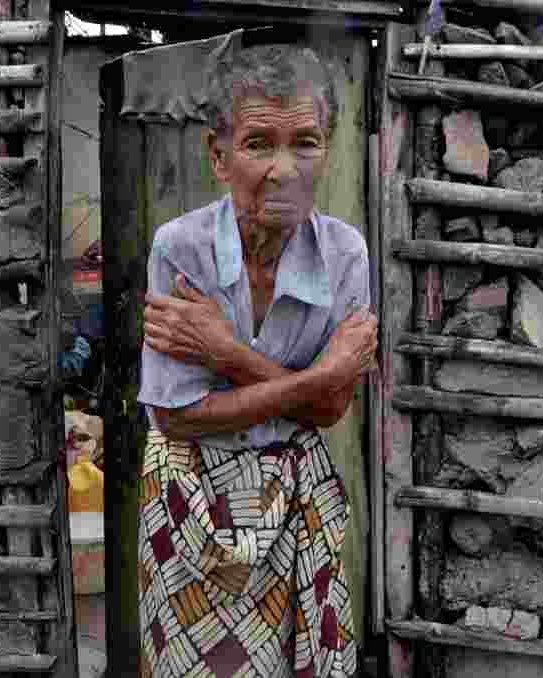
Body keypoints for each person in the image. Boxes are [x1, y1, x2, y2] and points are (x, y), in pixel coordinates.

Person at [136, 43, 378, 678]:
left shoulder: (346, 254)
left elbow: (331, 408)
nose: (283, 170)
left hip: (300, 502)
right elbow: (178, 417)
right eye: (258, 144)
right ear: (219, 157)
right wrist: (318, 378)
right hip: (193, 499)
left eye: (305, 142)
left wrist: (225, 353)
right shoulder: (181, 247)